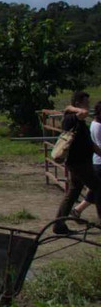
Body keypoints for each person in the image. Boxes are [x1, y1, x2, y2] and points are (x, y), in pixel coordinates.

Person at [53, 92, 101, 234]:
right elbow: (84, 112)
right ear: (78, 104)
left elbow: (89, 143)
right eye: (86, 102)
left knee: (73, 193)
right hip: (78, 163)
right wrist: (71, 108)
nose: (88, 105)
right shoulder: (71, 118)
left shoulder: (78, 121)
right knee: (98, 188)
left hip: (81, 162)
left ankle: (59, 225)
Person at [69, 102, 101, 219]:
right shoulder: (98, 126)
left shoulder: (94, 123)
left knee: (96, 188)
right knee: (97, 189)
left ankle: (78, 209)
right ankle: (78, 210)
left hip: (96, 161)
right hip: (99, 162)